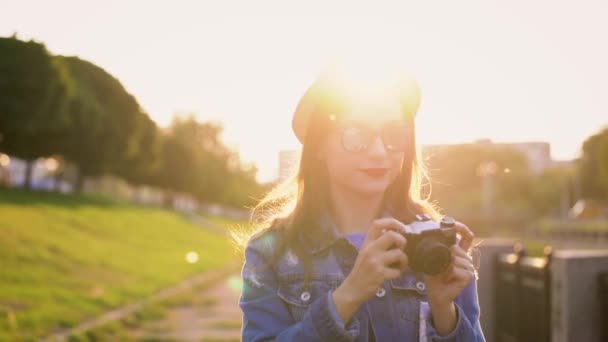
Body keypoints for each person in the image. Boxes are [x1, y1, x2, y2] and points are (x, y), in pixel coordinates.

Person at [237, 61, 485, 341]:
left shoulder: (438, 245)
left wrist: (444, 312)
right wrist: (348, 296)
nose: (379, 151)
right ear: (318, 145)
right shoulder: (270, 252)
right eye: (356, 135)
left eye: (393, 135)